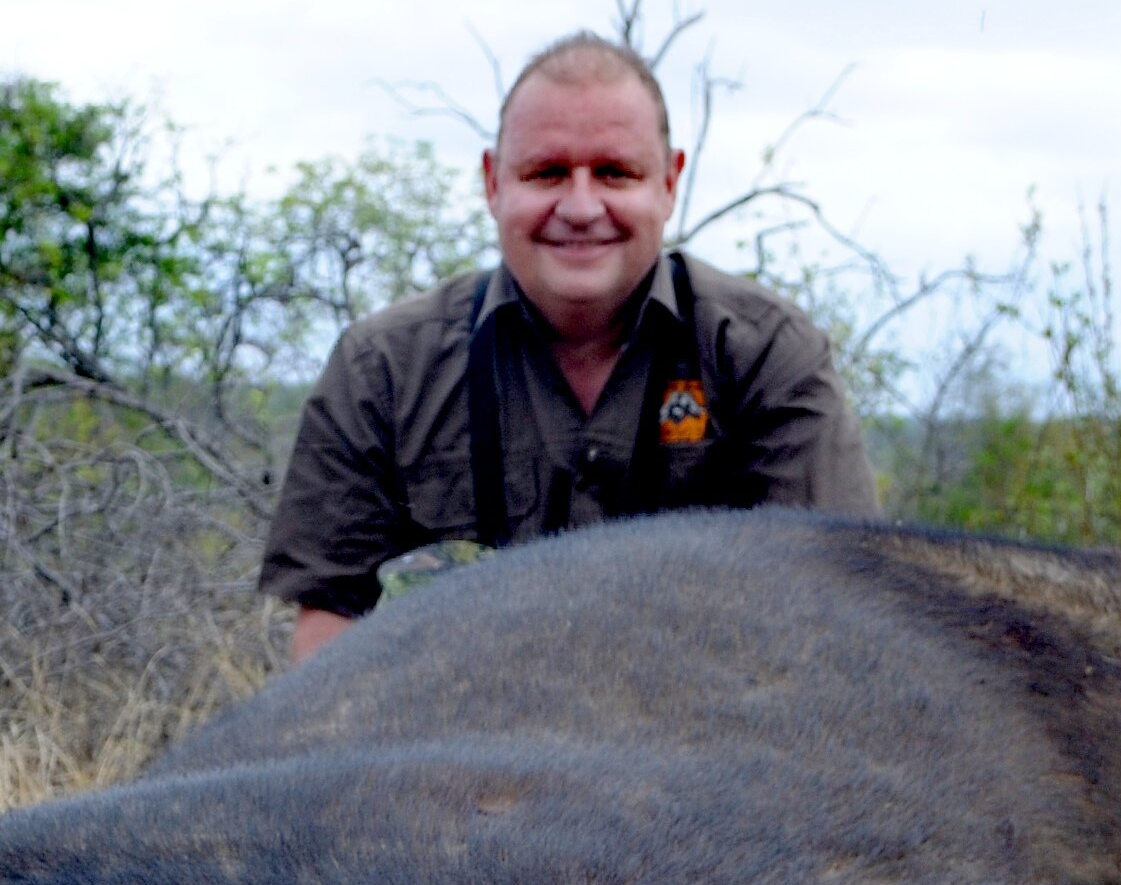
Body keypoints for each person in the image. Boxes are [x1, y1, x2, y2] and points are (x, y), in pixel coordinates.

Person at [259, 32, 880, 662]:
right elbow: (327, 630)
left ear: (669, 182)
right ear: (493, 183)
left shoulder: (769, 357)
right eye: (547, 173)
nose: (581, 207)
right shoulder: (383, 369)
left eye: (615, 173)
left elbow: (833, 614)